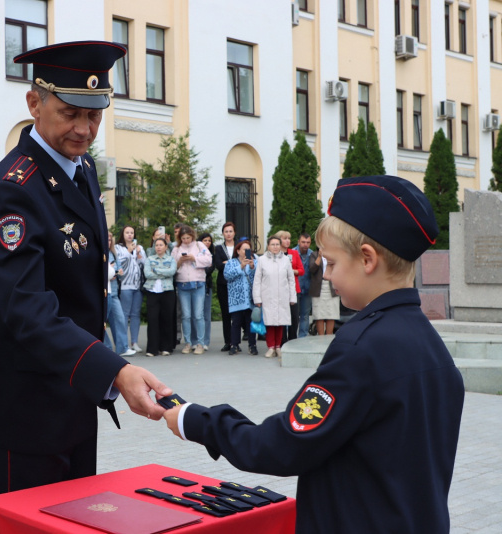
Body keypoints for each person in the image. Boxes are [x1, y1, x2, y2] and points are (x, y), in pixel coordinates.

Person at [164, 174, 464, 533]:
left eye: (333, 264)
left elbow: (283, 445)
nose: (329, 277)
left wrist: (194, 420)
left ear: (367, 259)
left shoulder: (361, 346)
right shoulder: (430, 345)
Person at [0, 41, 171, 495]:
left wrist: (102, 375)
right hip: (28, 413)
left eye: (95, 114)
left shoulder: (80, 173)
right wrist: (115, 371)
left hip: (77, 396)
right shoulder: (13, 190)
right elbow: (27, 310)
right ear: (34, 104)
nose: (84, 129)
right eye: (69, 113)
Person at [171, 225, 213, 355]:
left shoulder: (200, 245)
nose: (186, 240)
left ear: (192, 236)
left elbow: (209, 260)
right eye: (183, 238)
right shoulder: (177, 248)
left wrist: (194, 258)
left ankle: (200, 343)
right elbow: (171, 266)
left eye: (188, 238)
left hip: (198, 283)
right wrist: (180, 261)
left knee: (198, 315)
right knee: (186, 315)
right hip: (182, 284)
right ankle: (188, 342)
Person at [252, 236, 296, 357]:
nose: (275, 247)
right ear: (268, 246)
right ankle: (271, 347)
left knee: (280, 322)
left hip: (282, 295)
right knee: (270, 322)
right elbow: (257, 281)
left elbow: (291, 280)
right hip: (268, 296)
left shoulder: (286, 260)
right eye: (273, 244)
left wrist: (292, 297)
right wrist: (257, 298)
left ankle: (278, 347)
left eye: (277, 244)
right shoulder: (262, 260)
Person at [143, 237, 177, 357]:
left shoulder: (171, 259)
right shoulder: (149, 259)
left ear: (166, 247)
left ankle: (166, 347)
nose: (158, 247)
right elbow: (147, 273)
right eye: (156, 245)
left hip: (167, 291)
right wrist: (163, 271)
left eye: (161, 245)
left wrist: (156, 270)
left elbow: (172, 271)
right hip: (152, 291)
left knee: (166, 319)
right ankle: (152, 349)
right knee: (152, 320)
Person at [223, 239, 258, 355]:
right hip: (236, 299)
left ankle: (252, 345)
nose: (247, 251)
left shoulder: (255, 261)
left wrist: (252, 267)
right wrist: (241, 266)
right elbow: (227, 276)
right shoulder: (231, 262)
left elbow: (259, 278)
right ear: (238, 251)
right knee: (236, 322)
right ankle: (235, 345)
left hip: (250, 298)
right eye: (244, 249)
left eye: (249, 249)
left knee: (251, 322)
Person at [115, 225, 146, 352]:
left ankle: (134, 342)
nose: (130, 235)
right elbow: (120, 263)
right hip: (125, 286)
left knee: (135, 315)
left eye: (132, 233)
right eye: (127, 232)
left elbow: (144, 263)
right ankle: (123, 344)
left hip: (137, 285)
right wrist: (128, 251)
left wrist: (139, 254)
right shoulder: (118, 248)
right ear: (123, 234)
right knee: (124, 315)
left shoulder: (139, 247)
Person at [106, 231, 134, 357]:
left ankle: (122, 347)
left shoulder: (113, 253)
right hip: (104, 292)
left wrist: (118, 272)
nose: (109, 242)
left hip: (114, 290)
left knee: (119, 319)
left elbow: (118, 272)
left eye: (110, 239)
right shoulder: (98, 252)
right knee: (101, 322)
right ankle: (105, 347)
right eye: (106, 239)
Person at [275, 230, 304, 343]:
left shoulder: (294, 253)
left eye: (289, 238)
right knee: (282, 316)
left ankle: (292, 340)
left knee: (294, 316)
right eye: (284, 238)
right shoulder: (275, 255)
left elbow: (302, 270)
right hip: (280, 289)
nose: (287, 241)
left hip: (293, 289)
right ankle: (282, 341)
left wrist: (293, 271)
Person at [213, 222, 237, 351]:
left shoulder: (239, 246)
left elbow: (241, 262)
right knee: (226, 314)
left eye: (230, 231)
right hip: (223, 284)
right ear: (223, 233)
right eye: (226, 231)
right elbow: (218, 265)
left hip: (237, 284)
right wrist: (232, 263)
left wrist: (228, 263)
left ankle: (236, 341)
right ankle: (228, 341)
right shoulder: (219, 248)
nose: (228, 234)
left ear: (234, 233)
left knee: (237, 314)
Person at [309, 246, 340, 335]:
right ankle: (321, 337)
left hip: (332, 286)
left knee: (332, 314)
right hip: (319, 287)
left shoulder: (334, 255)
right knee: (319, 315)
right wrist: (319, 257)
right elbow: (312, 269)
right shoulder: (313, 255)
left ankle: (329, 337)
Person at [197, 232, 215, 351]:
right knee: (197, 314)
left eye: (209, 240)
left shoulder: (212, 255)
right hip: (197, 285)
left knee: (206, 315)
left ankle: (206, 341)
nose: (207, 242)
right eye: (205, 240)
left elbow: (209, 270)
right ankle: (197, 340)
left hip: (207, 286)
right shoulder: (196, 253)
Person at [294, 232, 314, 338]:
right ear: (298, 242)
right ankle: (292, 337)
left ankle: (302, 338)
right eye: (303, 242)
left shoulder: (312, 254)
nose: (305, 244)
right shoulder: (292, 253)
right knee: (294, 315)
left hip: (307, 288)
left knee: (305, 315)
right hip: (295, 288)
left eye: (308, 242)